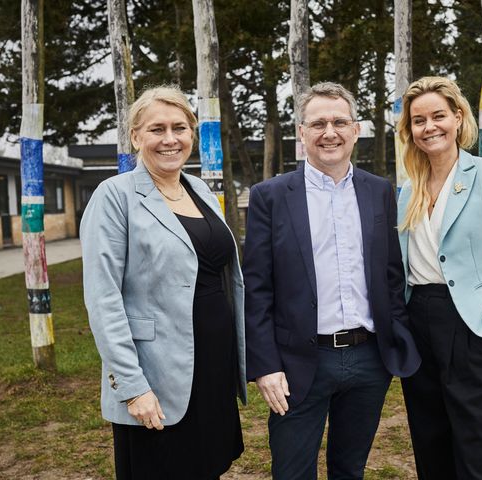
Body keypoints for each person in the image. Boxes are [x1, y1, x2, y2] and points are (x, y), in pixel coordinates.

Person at [243, 81, 421, 480]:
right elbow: (256, 290)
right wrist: (265, 365)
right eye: (318, 123)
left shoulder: (379, 192)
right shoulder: (269, 196)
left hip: (368, 359)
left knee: (350, 468)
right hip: (297, 363)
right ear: (302, 133)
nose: (330, 132)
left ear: (356, 130)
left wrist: (395, 340)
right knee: (292, 471)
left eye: (340, 122)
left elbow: (392, 274)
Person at [81, 86, 246, 480]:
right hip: (155, 374)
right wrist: (134, 388)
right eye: (157, 129)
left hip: (210, 366)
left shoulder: (200, 189)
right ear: (136, 136)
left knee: (206, 467)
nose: (170, 139)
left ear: (192, 133)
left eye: (179, 128)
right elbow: (103, 299)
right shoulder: (114, 196)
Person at [396, 76, 482, 479]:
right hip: (418, 319)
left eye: (438, 115)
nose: (429, 127)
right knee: (430, 439)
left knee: (481, 445)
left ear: (458, 118)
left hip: (472, 323)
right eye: (418, 120)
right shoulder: (408, 190)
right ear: (411, 129)